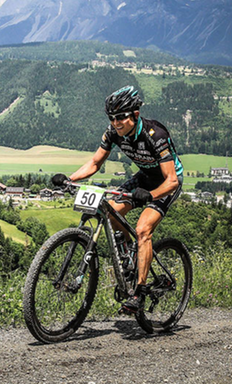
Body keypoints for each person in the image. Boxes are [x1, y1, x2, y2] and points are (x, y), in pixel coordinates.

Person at [52, 86, 183, 314]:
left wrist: (151, 196)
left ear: (135, 115)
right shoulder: (112, 133)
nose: (116, 123)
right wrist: (69, 179)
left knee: (143, 229)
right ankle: (132, 254)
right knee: (110, 212)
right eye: (112, 118)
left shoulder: (155, 135)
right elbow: (94, 164)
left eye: (121, 117)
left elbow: (171, 180)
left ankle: (140, 293)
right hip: (144, 178)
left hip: (165, 183)